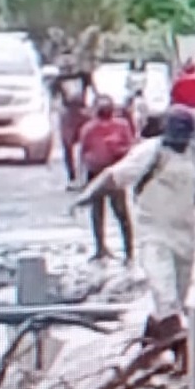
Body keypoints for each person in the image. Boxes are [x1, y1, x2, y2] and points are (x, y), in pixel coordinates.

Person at [71, 105, 195, 373]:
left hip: (184, 236)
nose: (178, 140)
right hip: (153, 235)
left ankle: (149, 346)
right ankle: (182, 359)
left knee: (175, 300)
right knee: (165, 296)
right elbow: (112, 176)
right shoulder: (149, 153)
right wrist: (86, 196)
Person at [78, 95, 136, 263]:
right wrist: (83, 176)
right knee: (97, 212)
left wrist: (119, 150)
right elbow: (83, 152)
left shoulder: (121, 126)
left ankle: (129, 251)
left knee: (121, 213)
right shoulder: (89, 128)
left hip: (115, 173)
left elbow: (131, 147)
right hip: (95, 172)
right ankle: (100, 248)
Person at [52, 55, 96, 190]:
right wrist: (61, 111)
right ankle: (72, 177)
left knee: (89, 144)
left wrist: (91, 108)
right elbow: (55, 100)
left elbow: (95, 92)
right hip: (68, 113)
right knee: (68, 146)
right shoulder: (57, 80)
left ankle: (88, 176)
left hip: (83, 112)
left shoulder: (84, 76)